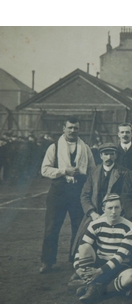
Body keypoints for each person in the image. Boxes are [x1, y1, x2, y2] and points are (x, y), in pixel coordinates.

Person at [40, 117, 96, 273]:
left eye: (76, 128)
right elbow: (44, 170)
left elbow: (92, 170)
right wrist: (64, 171)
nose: (73, 131)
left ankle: (75, 259)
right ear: (63, 128)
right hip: (58, 191)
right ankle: (47, 261)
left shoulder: (85, 148)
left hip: (78, 191)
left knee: (78, 228)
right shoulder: (54, 147)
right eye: (70, 128)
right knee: (52, 227)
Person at [70, 194, 132, 302]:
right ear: (103, 209)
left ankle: (97, 288)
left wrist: (99, 271)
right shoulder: (95, 224)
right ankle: (91, 284)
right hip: (101, 261)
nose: (113, 211)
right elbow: (81, 248)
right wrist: (77, 268)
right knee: (85, 247)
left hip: (119, 265)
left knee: (131, 277)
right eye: (110, 208)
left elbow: (120, 256)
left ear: (122, 208)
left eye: (117, 207)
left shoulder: (130, 227)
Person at [70, 143, 127, 260]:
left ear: (116, 155)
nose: (109, 157)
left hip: (115, 213)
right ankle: (82, 262)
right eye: (106, 154)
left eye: (112, 154)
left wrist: (114, 212)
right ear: (101, 156)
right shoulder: (93, 172)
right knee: (83, 237)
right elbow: (85, 195)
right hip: (95, 213)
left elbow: (126, 196)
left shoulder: (124, 173)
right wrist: (92, 213)